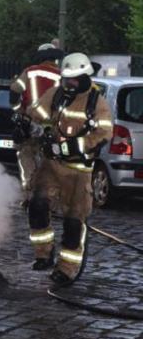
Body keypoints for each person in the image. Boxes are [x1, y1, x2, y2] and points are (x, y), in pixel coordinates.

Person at [25, 53, 113, 286]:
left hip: (79, 171)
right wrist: (30, 124)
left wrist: (76, 145)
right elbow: (38, 111)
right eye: (67, 79)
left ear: (85, 77)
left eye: (74, 80)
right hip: (52, 164)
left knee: (74, 223)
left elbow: (104, 133)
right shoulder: (57, 94)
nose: (69, 84)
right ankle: (43, 254)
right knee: (37, 205)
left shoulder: (97, 102)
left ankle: (66, 269)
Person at [10, 43, 64, 193]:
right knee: (52, 158)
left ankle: (28, 187)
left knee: (25, 153)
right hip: (53, 125)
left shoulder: (30, 72)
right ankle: (51, 194)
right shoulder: (62, 76)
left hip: (31, 121)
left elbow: (15, 90)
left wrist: (17, 109)